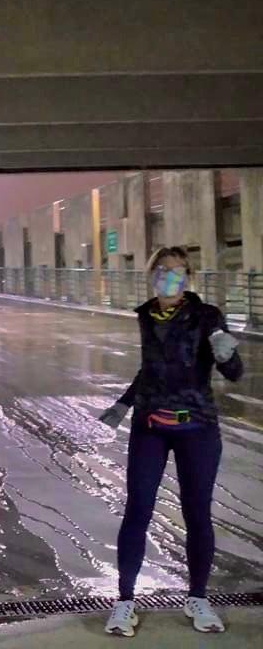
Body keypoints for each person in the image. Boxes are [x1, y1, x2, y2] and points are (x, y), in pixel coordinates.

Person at [99, 247, 243, 637]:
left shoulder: (207, 315)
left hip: (197, 427)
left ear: (188, 276)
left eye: (178, 271)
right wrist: (123, 404)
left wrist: (227, 355)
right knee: (137, 510)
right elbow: (150, 369)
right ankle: (124, 602)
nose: (170, 277)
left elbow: (233, 373)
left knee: (197, 514)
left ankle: (197, 598)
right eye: (163, 270)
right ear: (152, 275)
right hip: (150, 426)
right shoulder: (146, 315)